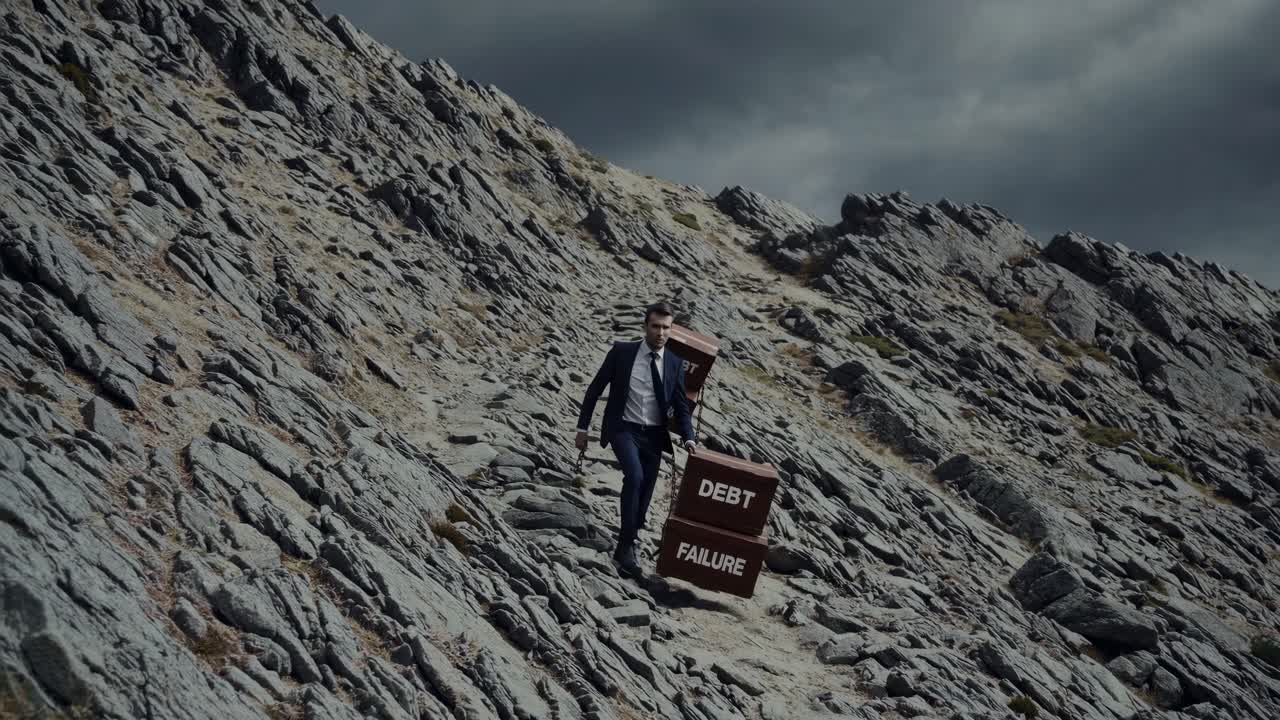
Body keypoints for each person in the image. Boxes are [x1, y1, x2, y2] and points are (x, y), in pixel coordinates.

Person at [575, 301, 696, 576]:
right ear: (645, 326)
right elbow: (595, 389)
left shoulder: (675, 364)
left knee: (647, 488)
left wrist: (689, 438)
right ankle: (627, 544)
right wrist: (583, 429)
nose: (661, 333)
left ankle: (633, 532)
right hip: (623, 428)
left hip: (654, 434)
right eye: (655, 327)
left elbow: (680, 406)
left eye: (666, 328)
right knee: (635, 476)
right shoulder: (623, 352)